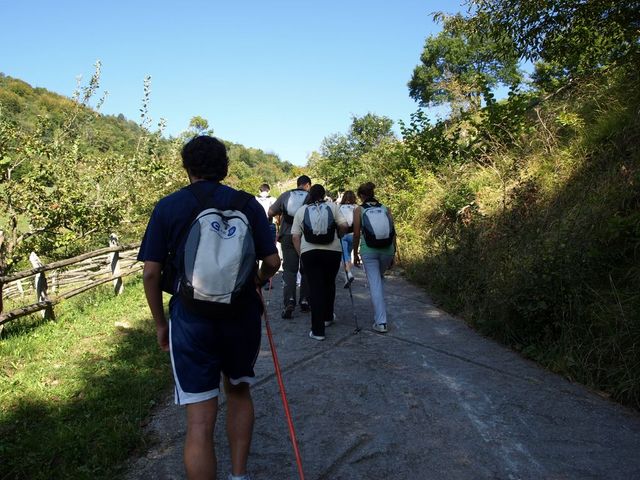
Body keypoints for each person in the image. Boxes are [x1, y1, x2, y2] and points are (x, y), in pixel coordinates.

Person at [138, 136, 280, 480]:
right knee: (239, 392)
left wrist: (160, 325)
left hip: (191, 320)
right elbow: (273, 260)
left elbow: (151, 273)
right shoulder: (248, 205)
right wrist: (257, 280)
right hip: (241, 313)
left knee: (199, 421)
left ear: (187, 168)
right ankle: (239, 475)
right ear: (225, 167)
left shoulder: (168, 206)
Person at [291, 184, 348, 340]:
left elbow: (295, 237)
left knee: (315, 288)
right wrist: (339, 235)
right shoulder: (333, 207)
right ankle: (328, 317)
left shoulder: (302, 211)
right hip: (332, 252)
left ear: (310, 194)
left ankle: (318, 331)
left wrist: (301, 253)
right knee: (329, 283)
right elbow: (344, 225)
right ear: (323, 195)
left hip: (310, 252)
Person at [352, 182, 397, 334]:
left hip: (369, 251)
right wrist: (394, 253)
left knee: (375, 283)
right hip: (387, 250)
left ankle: (381, 322)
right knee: (379, 278)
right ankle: (381, 314)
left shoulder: (359, 210)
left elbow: (357, 233)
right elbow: (393, 232)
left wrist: (355, 253)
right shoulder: (385, 208)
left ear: (362, 196)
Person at [269, 175, 312, 319]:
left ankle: (289, 301)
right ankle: (305, 300)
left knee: (289, 270)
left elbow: (270, 212)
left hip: (287, 235)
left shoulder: (286, 195)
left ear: (298, 184)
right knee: (306, 268)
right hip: (307, 237)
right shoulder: (311, 196)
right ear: (307, 185)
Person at [338, 190, 357, 288]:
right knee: (348, 255)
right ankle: (348, 275)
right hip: (353, 235)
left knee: (344, 256)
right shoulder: (356, 207)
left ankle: (348, 274)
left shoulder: (339, 207)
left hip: (342, 235)